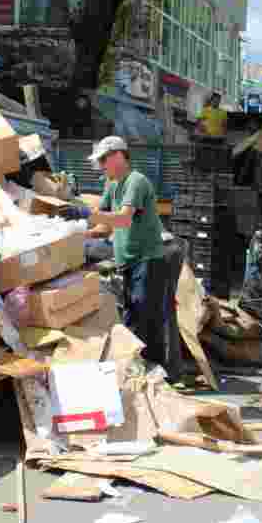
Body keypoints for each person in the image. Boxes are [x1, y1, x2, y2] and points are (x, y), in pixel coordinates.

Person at [69, 136, 179, 380]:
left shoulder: (135, 182)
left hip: (148, 259)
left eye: (102, 160)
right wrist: (75, 232)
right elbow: (105, 225)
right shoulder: (113, 185)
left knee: (144, 317)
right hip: (130, 261)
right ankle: (141, 369)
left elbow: (122, 219)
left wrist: (87, 213)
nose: (100, 166)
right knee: (133, 313)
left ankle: (151, 372)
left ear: (118, 155)